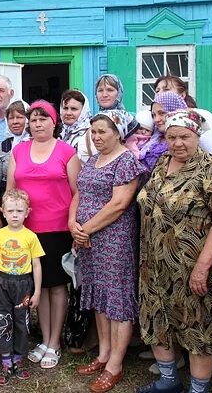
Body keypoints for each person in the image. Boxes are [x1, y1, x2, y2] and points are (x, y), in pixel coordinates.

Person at [136, 110, 212, 393]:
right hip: (153, 264)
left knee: (198, 326)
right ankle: (168, 381)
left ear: (197, 136)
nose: (178, 143)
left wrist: (203, 267)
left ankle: (198, 388)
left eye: (185, 137)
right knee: (156, 318)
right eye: (171, 137)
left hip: (191, 265)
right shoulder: (162, 162)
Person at [70, 111, 148, 393]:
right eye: (93, 131)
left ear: (118, 133)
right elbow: (80, 193)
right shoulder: (92, 160)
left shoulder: (126, 161)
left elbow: (119, 204)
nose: (97, 136)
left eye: (103, 131)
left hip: (113, 240)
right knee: (100, 297)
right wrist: (73, 224)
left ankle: (115, 364)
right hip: (89, 240)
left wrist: (85, 229)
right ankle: (103, 354)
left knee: (117, 300)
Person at [7, 100, 81, 370]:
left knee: (57, 286)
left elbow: (77, 192)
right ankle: (45, 338)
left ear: (54, 122)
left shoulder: (66, 152)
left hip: (58, 228)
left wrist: (75, 225)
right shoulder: (19, 150)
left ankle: (55, 342)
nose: (37, 124)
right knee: (39, 287)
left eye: (43, 119)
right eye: (33, 120)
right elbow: (11, 190)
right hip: (27, 230)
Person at [0, 188, 44, 386]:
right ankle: (6, 361)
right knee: (3, 319)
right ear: (3, 211)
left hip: (23, 283)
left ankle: (18, 359)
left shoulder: (31, 236)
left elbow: (37, 265)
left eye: (19, 211)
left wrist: (37, 291)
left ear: (27, 212)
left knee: (22, 320)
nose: (15, 215)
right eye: (11, 210)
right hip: (2, 282)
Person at [153, 75, 212, 155]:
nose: (160, 94)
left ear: (182, 95)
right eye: (157, 91)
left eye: (166, 90)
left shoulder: (198, 116)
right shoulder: (159, 121)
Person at [0, 100, 29, 231]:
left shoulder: (37, 144)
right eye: (11, 118)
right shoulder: (3, 146)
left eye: (20, 117)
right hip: (10, 210)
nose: (15, 122)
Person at [78, 74, 139, 163]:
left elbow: (132, 151)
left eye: (110, 90)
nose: (104, 95)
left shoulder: (125, 119)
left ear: (119, 93)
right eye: (100, 90)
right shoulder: (93, 119)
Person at [138, 92, 188, 171]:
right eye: (153, 115)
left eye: (161, 113)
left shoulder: (185, 141)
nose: (156, 120)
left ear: (175, 111)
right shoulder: (154, 137)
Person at [59, 89, 92, 155]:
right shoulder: (58, 133)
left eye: (74, 109)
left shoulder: (92, 134)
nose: (68, 113)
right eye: (65, 108)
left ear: (84, 111)